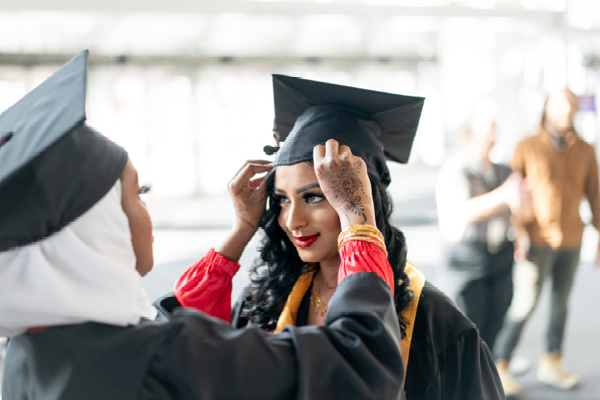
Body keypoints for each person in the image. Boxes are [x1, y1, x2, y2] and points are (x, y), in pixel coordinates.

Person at [0, 51, 407, 400]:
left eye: (314, 196)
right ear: (100, 225)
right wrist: (357, 217)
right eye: (138, 195)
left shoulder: (29, 353)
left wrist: (238, 235)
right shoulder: (163, 357)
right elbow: (360, 366)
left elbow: (165, 323)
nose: (292, 219)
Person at [160, 75, 506, 400]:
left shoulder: (436, 323)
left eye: (314, 196)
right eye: (281, 200)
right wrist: (241, 230)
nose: (292, 221)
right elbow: (176, 343)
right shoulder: (267, 299)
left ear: (361, 199)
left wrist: (358, 220)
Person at [494, 88, 600, 395]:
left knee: (561, 304)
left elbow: (595, 195)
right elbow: (515, 193)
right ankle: (500, 363)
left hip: (572, 239)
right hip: (536, 240)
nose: (566, 110)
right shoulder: (527, 146)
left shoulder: (585, 150)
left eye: (571, 105)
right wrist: (519, 234)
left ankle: (552, 361)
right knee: (524, 304)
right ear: (547, 109)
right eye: (560, 105)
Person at [435, 114, 530, 353]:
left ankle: (486, 377)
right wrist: (506, 194)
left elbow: (522, 211)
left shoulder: (503, 170)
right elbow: (464, 211)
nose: (492, 138)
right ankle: (462, 384)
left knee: (496, 320)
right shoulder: (456, 168)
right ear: (469, 137)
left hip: (500, 254)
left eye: (493, 131)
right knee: (465, 324)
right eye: (485, 132)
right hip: (466, 257)